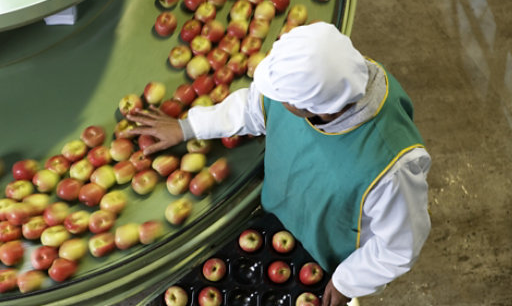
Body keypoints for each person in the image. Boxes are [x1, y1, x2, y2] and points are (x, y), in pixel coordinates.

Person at [123, 22, 431, 306]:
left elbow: (400, 246)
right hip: (276, 220)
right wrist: (187, 127)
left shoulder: (391, 166)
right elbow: (251, 108)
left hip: (326, 256)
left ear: (313, 108)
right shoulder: (332, 80)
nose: (276, 99)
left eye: (284, 97)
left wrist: (348, 281)